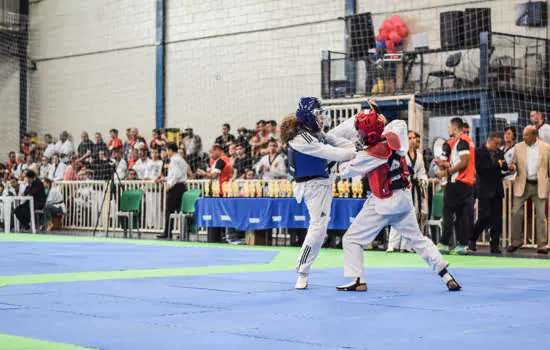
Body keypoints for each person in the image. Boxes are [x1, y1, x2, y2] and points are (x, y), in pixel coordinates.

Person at [335, 108, 460, 292]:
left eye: (361, 132)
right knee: (418, 239)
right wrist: (379, 123)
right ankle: (446, 275)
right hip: (403, 201)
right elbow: (398, 124)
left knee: (352, 239)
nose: (358, 135)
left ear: (369, 134)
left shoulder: (370, 154)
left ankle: (358, 280)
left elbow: (345, 171)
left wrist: (347, 153)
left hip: (383, 203)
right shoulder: (397, 137)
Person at [280, 97, 356, 290]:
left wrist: (353, 146)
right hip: (313, 187)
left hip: (323, 178)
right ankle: (302, 271)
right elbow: (332, 153)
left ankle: (363, 116)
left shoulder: (314, 132)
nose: (322, 118)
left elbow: (336, 140)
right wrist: (356, 154)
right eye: (318, 114)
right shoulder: (301, 139)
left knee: (341, 131)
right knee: (318, 229)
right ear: (308, 116)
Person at [435, 118, 475, 255]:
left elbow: (464, 162)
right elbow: (464, 163)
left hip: (457, 183)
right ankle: (462, 245)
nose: (448, 130)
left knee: (448, 213)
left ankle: (444, 244)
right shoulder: (468, 142)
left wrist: (446, 172)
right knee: (462, 215)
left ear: (454, 128)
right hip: (467, 184)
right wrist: (446, 165)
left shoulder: (461, 142)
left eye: (449, 127)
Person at [507, 126, 550, 254]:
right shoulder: (518, 147)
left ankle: (542, 245)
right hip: (522, 184)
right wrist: (512, 167)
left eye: (526, 135)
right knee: (515, 213)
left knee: (541, 216)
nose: (524, 138)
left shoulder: (546, 148)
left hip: (539, 185)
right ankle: (516, 241)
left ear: (534, 135)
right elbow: (514, 163)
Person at [471, 133, 511, 253]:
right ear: (490, 141)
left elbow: (503, 166)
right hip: (484, 190)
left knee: (497, 219)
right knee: (484, 217)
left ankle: (495, 245)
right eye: (496, 143)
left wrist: (506, 166)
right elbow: (480, 168)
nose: (498, 146)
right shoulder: (479, 152)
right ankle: (472, 237)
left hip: (497, 190)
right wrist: (496, 164)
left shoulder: (499, 152)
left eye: (499, 144)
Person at [156, 142, 193, 239]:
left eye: (167, 150)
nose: (166, 152)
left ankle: (167, 232)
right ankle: (184, 233)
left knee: (170, 211)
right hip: (181, 187)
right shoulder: (180, 159)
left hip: (175, 188)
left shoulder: (174, 160)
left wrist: (169, 185)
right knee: (182, 211)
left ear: (171, 150)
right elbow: (176, 174)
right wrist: (164, 179)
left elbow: (176, 175)